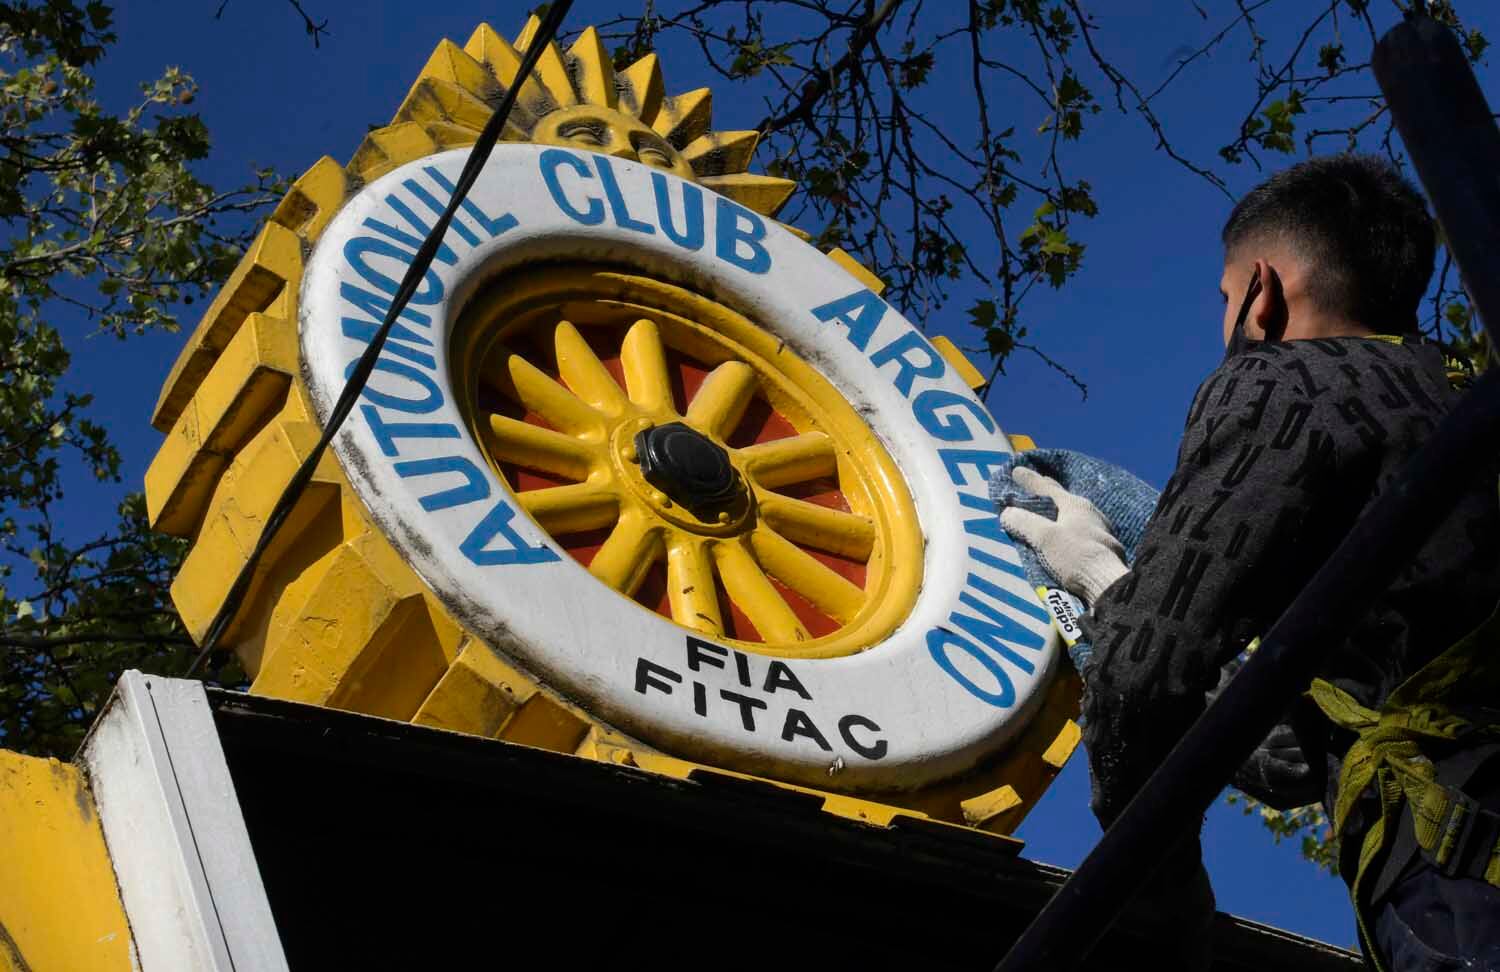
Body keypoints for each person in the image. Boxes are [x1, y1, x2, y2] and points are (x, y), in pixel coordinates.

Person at [997, 154, 1500, 970]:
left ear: (1260, 295)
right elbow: (1292, 758)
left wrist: (1164, 898)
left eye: (1226, 301)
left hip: (1465, 892)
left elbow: (1140, 682)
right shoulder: (1462, 403)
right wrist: (1110, 585)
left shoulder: (1280, 381)